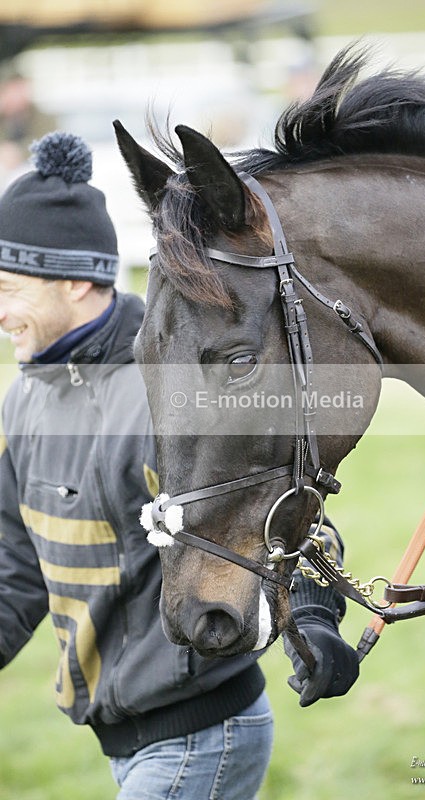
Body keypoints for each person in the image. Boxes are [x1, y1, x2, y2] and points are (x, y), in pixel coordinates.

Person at [0, 132, 359, 799]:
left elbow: (283, 511)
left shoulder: (162, 393)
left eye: (9, 289)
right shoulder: (21, 402)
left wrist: (312, 620)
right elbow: (12, 567)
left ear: (77, 281)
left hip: (201, 737)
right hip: (120, 742)